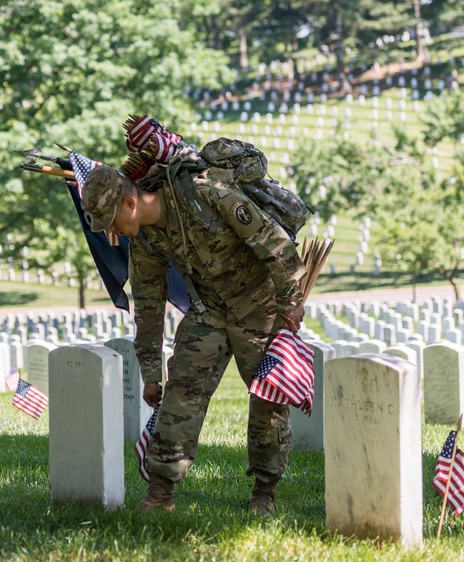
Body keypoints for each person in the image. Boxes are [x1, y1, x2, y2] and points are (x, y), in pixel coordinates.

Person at [81, 163, 306, 514]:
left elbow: (269, 238)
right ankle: (160, 494)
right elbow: (149, 305)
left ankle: (264, 493)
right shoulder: (145, 239)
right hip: (210, 308)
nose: (112, 231)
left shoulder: (205, 193)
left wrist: (290, 301)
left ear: (130, 202)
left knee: (267, 399)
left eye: (111, 221)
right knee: (182, 391)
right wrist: (152, 372)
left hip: (259, 303)